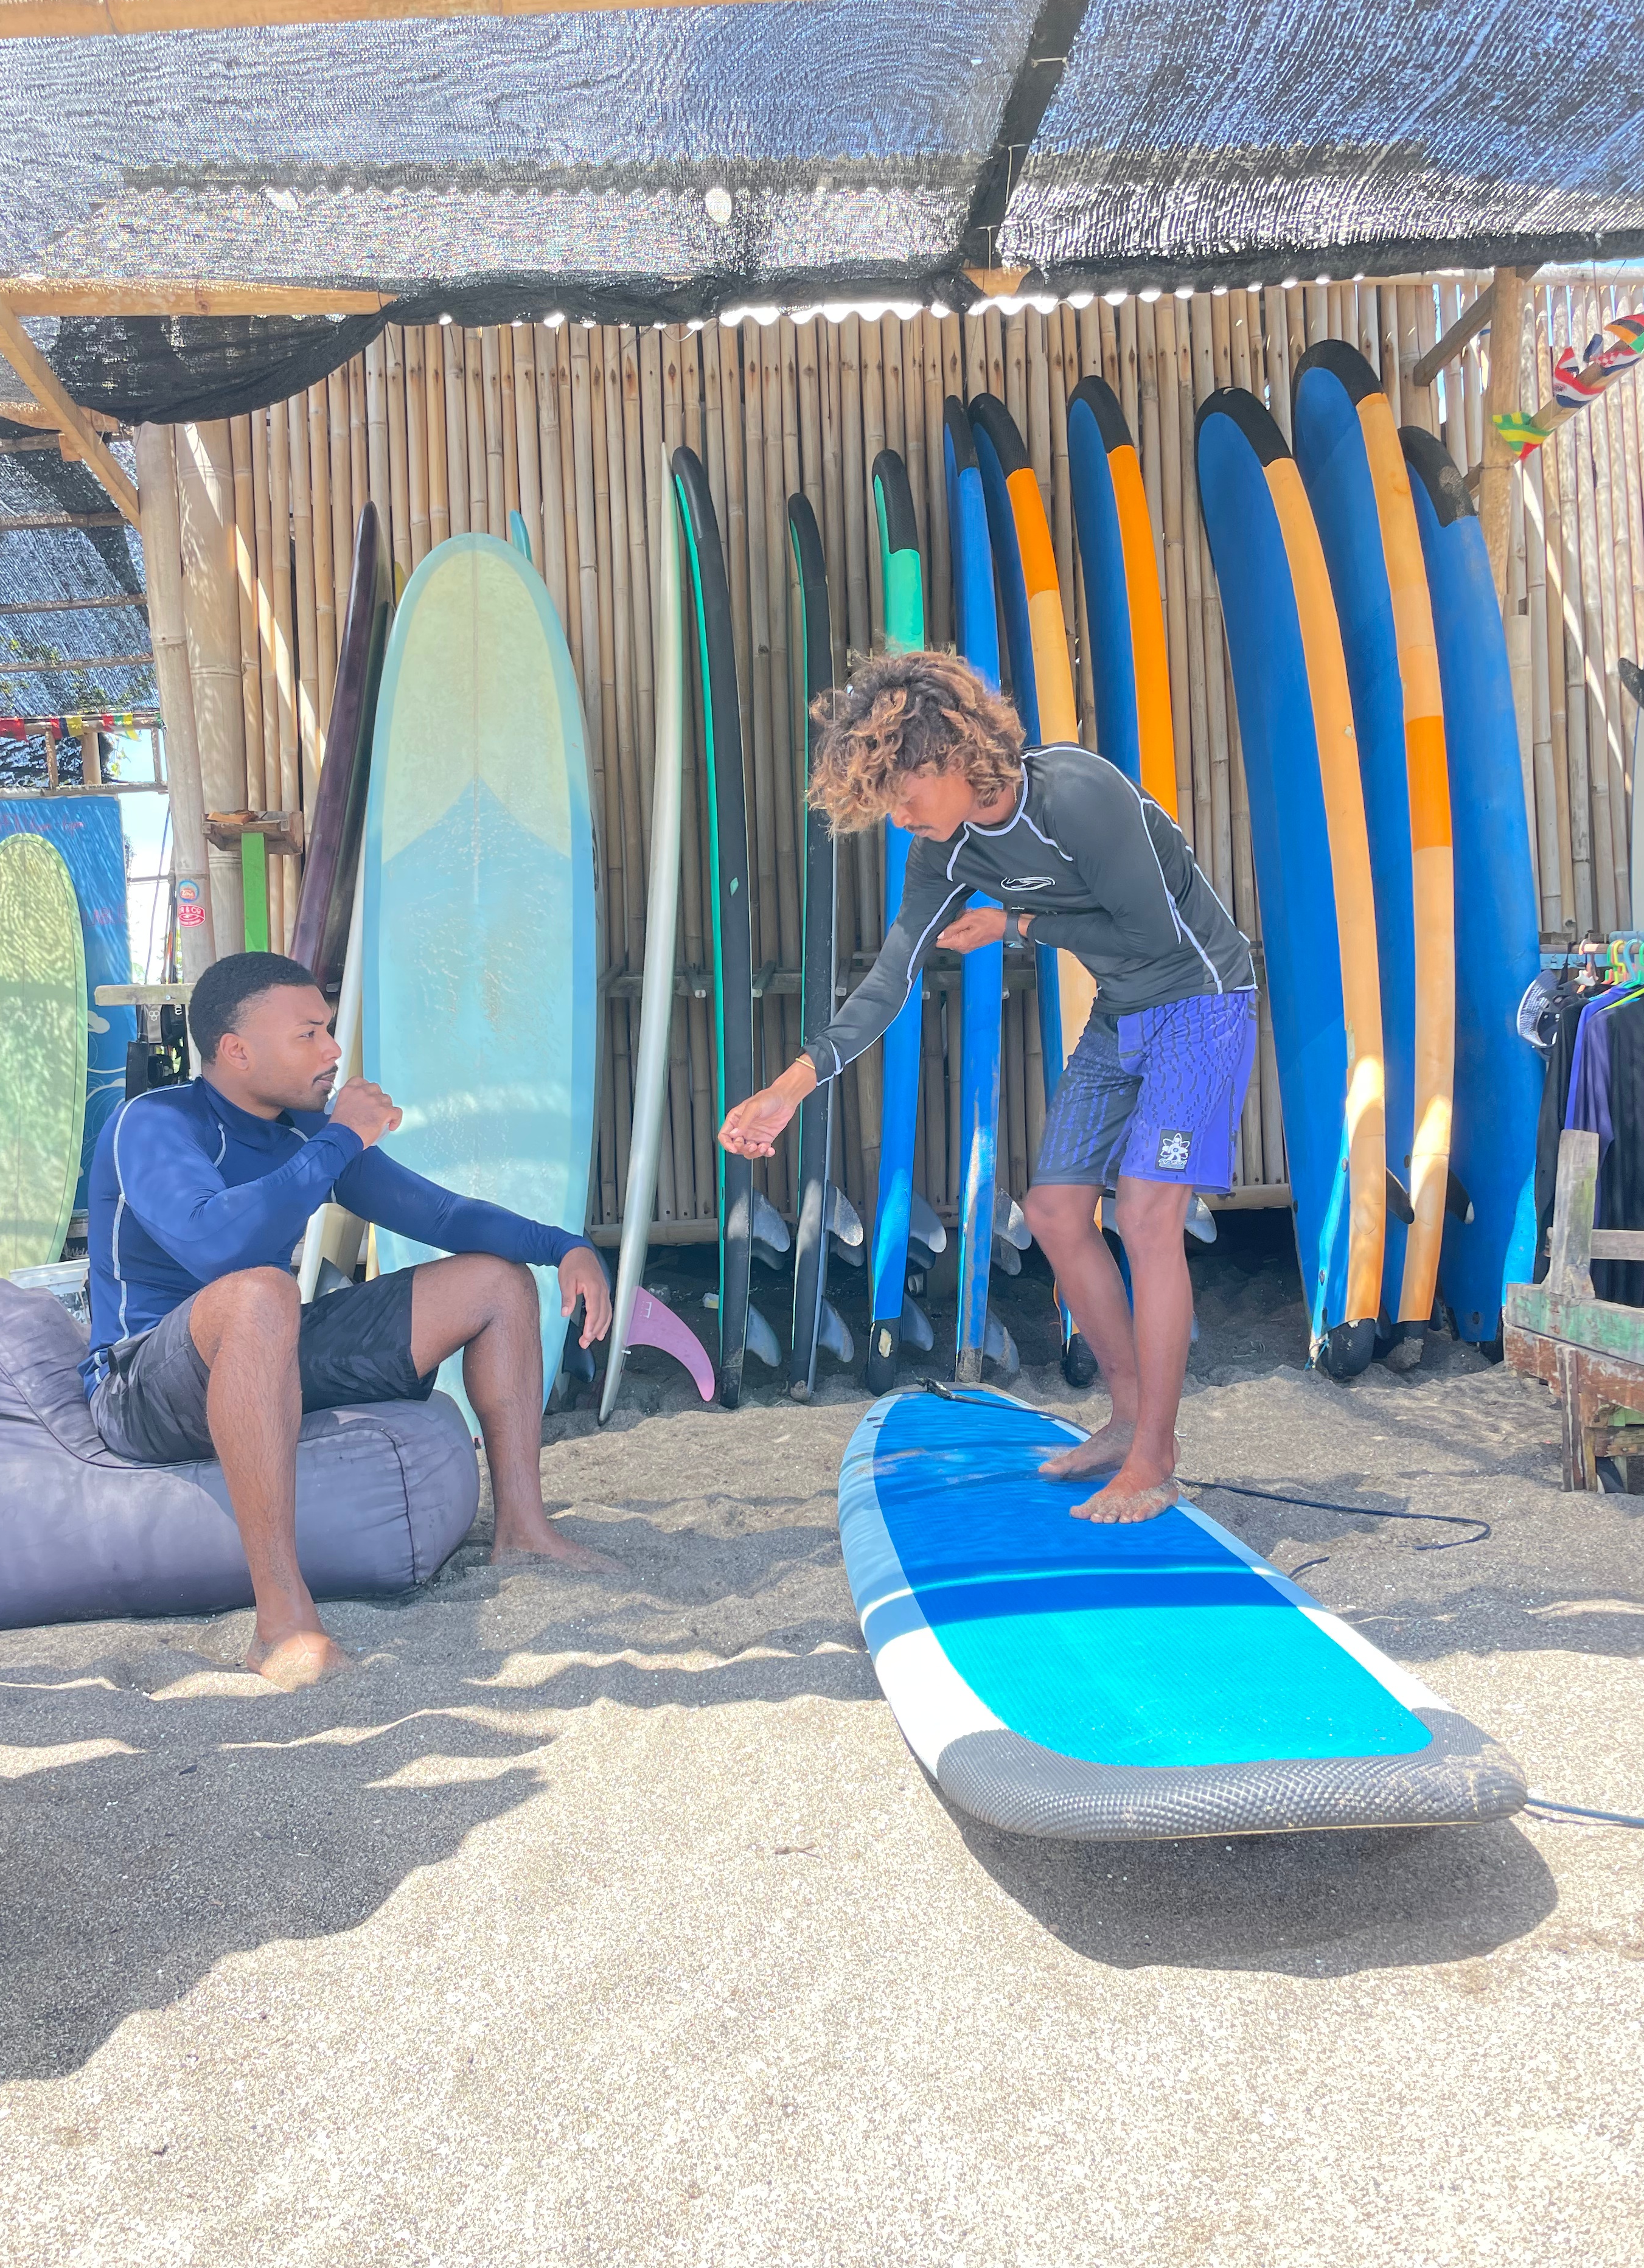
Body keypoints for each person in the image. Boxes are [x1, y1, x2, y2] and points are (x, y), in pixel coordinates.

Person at [719, 652, 1256, 1523]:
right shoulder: (945, 849)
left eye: (904, 791)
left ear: (954, 756)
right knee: (1052, 1213)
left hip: (1200, 1001)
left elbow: (1152, 933)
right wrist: (791, 1085)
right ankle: (1125, 1423)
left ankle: (1157, 1459)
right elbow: (893, 976)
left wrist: (1019, 921)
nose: (897, 816)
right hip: (1123, 1011)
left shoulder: (1076, 791)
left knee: (1148, 1214)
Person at [83, 951, 612, 1689]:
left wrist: (568, 1247)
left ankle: (523, 1530)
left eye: (329, 1030)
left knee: (496, 1282)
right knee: (262, 1289)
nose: (333, 1052)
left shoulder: (306, 1132)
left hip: (265, 1352)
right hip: (143, 1383)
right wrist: (343, 1137)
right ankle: (280, 1623)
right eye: (309, 1034)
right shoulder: (156, 1122)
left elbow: (443, 1214)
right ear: (236, 1051)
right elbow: (215, 1248)